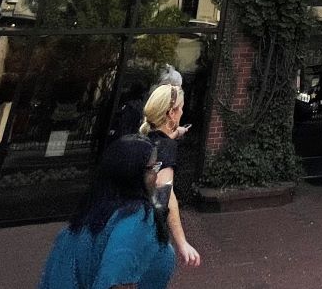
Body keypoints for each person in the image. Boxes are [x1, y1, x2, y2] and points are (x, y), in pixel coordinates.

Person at [37, 135, 174, 289]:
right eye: (152, 168)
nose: (156, 175)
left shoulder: (92, 211)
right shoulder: (138, 217)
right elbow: (116, 278)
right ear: (131, 173)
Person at [140, 83, 202, 270]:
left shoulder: (144, 137)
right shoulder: (166, 148)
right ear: (171, 114)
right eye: (181, 108)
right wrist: (182, 242)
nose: (183, 111)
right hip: (146, 229)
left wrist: (175, 133)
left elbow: (159, 139)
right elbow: (164, 196)